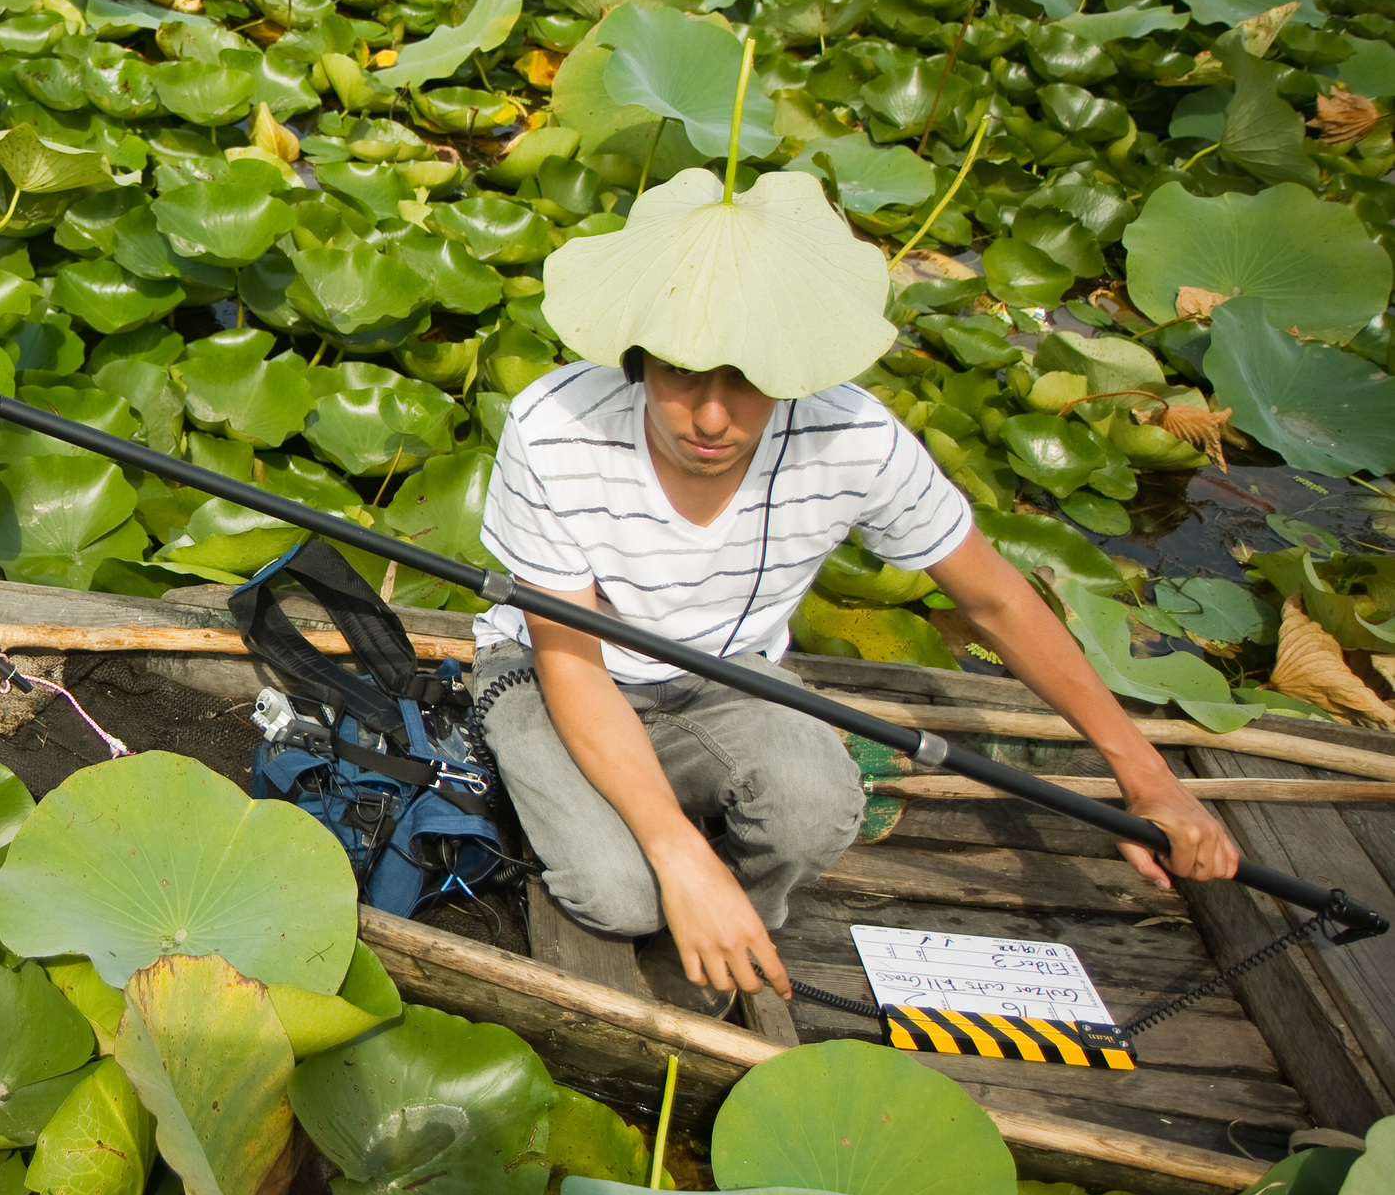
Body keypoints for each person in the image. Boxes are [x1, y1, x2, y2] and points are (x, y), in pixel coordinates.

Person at [473, 164, 1239, 1013]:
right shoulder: (553, 426)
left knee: (816, 806)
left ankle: (724, 932)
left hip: (728, 674)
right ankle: (677, 867)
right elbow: (571, 660)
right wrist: (675, 853)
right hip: (558, 674)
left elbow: (996, 601)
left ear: (796, 365)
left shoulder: (854, 436)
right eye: (685, 373)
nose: (714, 418)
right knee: (621, 894)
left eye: (749, 377)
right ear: (637, 355)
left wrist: (1146, 776)